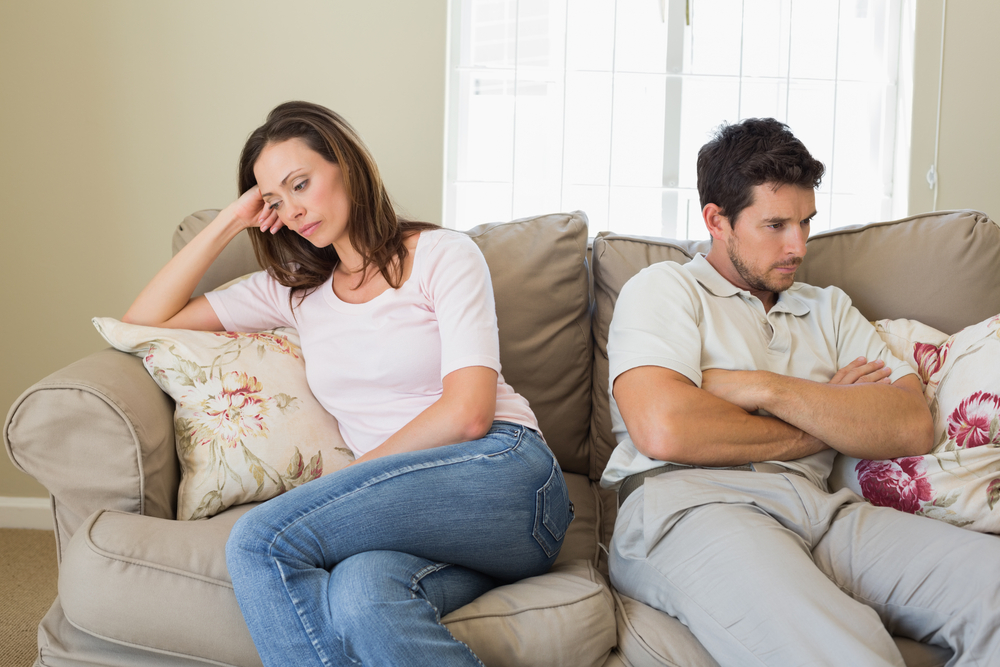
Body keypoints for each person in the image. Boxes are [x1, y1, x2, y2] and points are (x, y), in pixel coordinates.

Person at [124, 101, 573, 667]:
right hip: (417, 527)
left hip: (507, 478)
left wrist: (351, 482)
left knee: (260, 540)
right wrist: (230, 220)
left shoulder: (442, 255)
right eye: (274, 202)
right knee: (362, 598)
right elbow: (140, 324)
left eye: (301, 184)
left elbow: (468, 413)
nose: (292, 211)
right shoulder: (294, 292)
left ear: (348, 165)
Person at [601, 117, 1000, 666]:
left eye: (807, 223)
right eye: (776, 225)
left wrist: (760, 387)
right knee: (842, 652)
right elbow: (665, 427)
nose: (798, 245)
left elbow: (910, 424)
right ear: (717, 221)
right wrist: (826, 415)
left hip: (824, 509)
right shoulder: (665, 290)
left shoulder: (828, 307)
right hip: (691, 506)